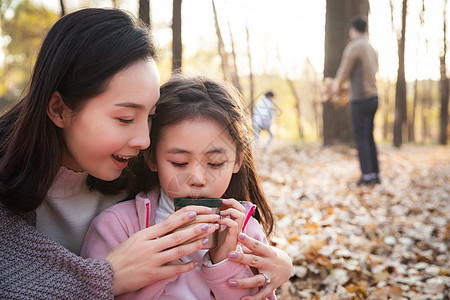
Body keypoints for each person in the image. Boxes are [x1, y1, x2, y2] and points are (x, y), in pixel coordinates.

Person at [0, 8, 292, 299]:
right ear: (59, 109)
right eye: (126, 118)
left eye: (150, 117)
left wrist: (275, 263)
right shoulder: (118, 219)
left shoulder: (144, 173)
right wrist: (107, 278)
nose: (144, 140)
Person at [81, 75, 278, 299]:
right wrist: (160, 263)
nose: (197, 178)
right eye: (179, 163)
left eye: (215, 163)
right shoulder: (117, 227)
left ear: (237, 161)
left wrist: (224, 262)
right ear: (152, 159)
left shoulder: (246, 232)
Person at [331, 16, 381, 186]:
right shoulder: (372, 48)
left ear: (353, 30)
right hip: (374, 97)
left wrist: (336, 86)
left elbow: (345, 68)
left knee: (360, 137)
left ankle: (366, 175)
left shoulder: (354, 46)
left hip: (360, 98)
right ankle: (374, 173)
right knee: (369, 136)